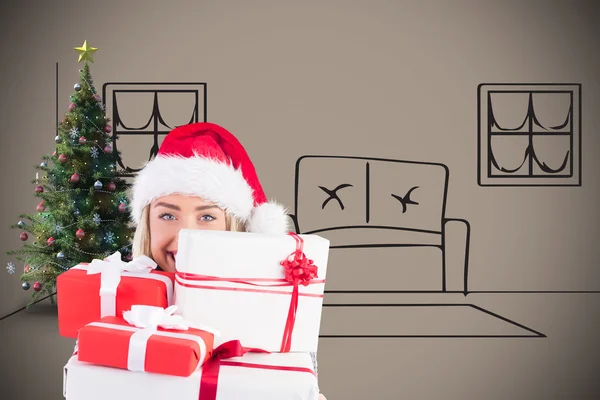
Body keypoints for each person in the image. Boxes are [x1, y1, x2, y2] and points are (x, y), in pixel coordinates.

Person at [129, 121, 327, 399]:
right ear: (147, 225)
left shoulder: (279, 314)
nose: (186, 236)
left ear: (234, 227)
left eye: (207, 217)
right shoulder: (120, 304)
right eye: (168, 215)